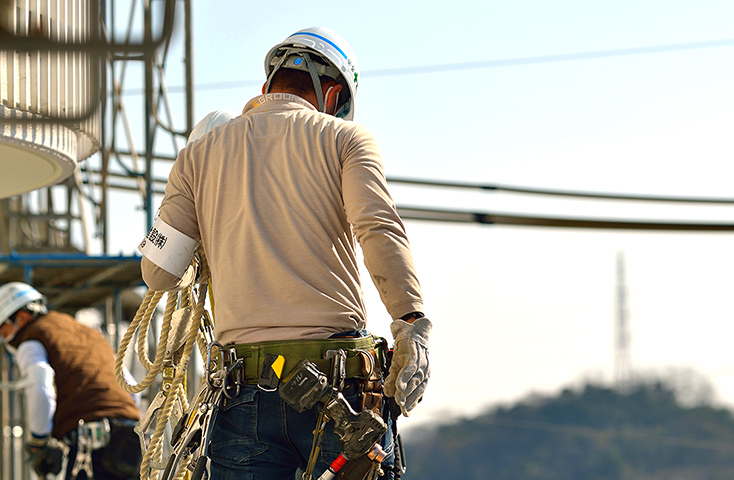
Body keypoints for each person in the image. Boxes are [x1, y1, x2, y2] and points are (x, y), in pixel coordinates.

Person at [138, 26, 431, 479]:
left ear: (266, 87)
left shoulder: (197, 154)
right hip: (340, 394)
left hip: (243, 394)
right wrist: (411, 323)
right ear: (333, 95)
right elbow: (378, 228)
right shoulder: (345, 139)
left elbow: (158, 273)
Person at [0, 282, 142, 480]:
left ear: (22, 317)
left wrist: (38, 442)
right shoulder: (90, 334)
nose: (4, 337)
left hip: (90, 450)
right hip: (130, 442)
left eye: (3, 330)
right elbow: (133, 388)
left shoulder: (31, 341)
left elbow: (40, 387)